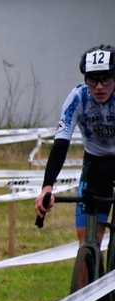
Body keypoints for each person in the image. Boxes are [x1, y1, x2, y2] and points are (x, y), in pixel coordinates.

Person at [35, 44, 115, 242]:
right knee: (87, 239)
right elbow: (61, 144)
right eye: (92, 79)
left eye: (106, 78)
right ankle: (90, 263)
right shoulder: (78, 98)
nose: (99, 86)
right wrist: (47, 187)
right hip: (94, 164)